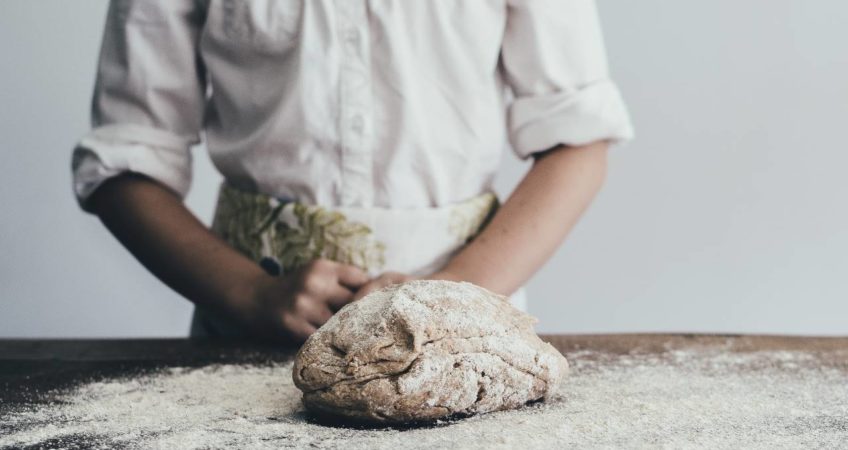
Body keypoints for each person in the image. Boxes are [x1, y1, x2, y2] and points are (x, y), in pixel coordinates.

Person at [72, 0, 633, 343]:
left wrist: (455, 293)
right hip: (248, 329)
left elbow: (577, 142)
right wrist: (249, 294)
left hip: (466, 327)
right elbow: (125, 160)